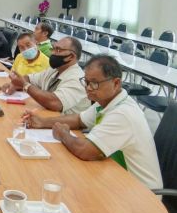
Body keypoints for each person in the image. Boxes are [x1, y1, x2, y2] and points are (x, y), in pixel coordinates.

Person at [23, 55, 163, 190]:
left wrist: (63, 134)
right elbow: (79, 120)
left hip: (140, 193)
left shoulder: (123, 114)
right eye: (87, 82)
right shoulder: (106, 101)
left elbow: (85, 151)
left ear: (116, 83)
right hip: (115, 177)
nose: (89, 88)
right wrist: (43, 122)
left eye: (95, 83)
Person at [2, 37, 90, 114]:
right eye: (53, 49)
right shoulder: (54, 69)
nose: (53, 53)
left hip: (67, 125)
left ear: (71, 56)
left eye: (58, 50)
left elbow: (55, 103)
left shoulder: (77, 79)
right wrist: (14, 84)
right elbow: (29, 78)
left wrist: (25, 85)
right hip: (49, 116)